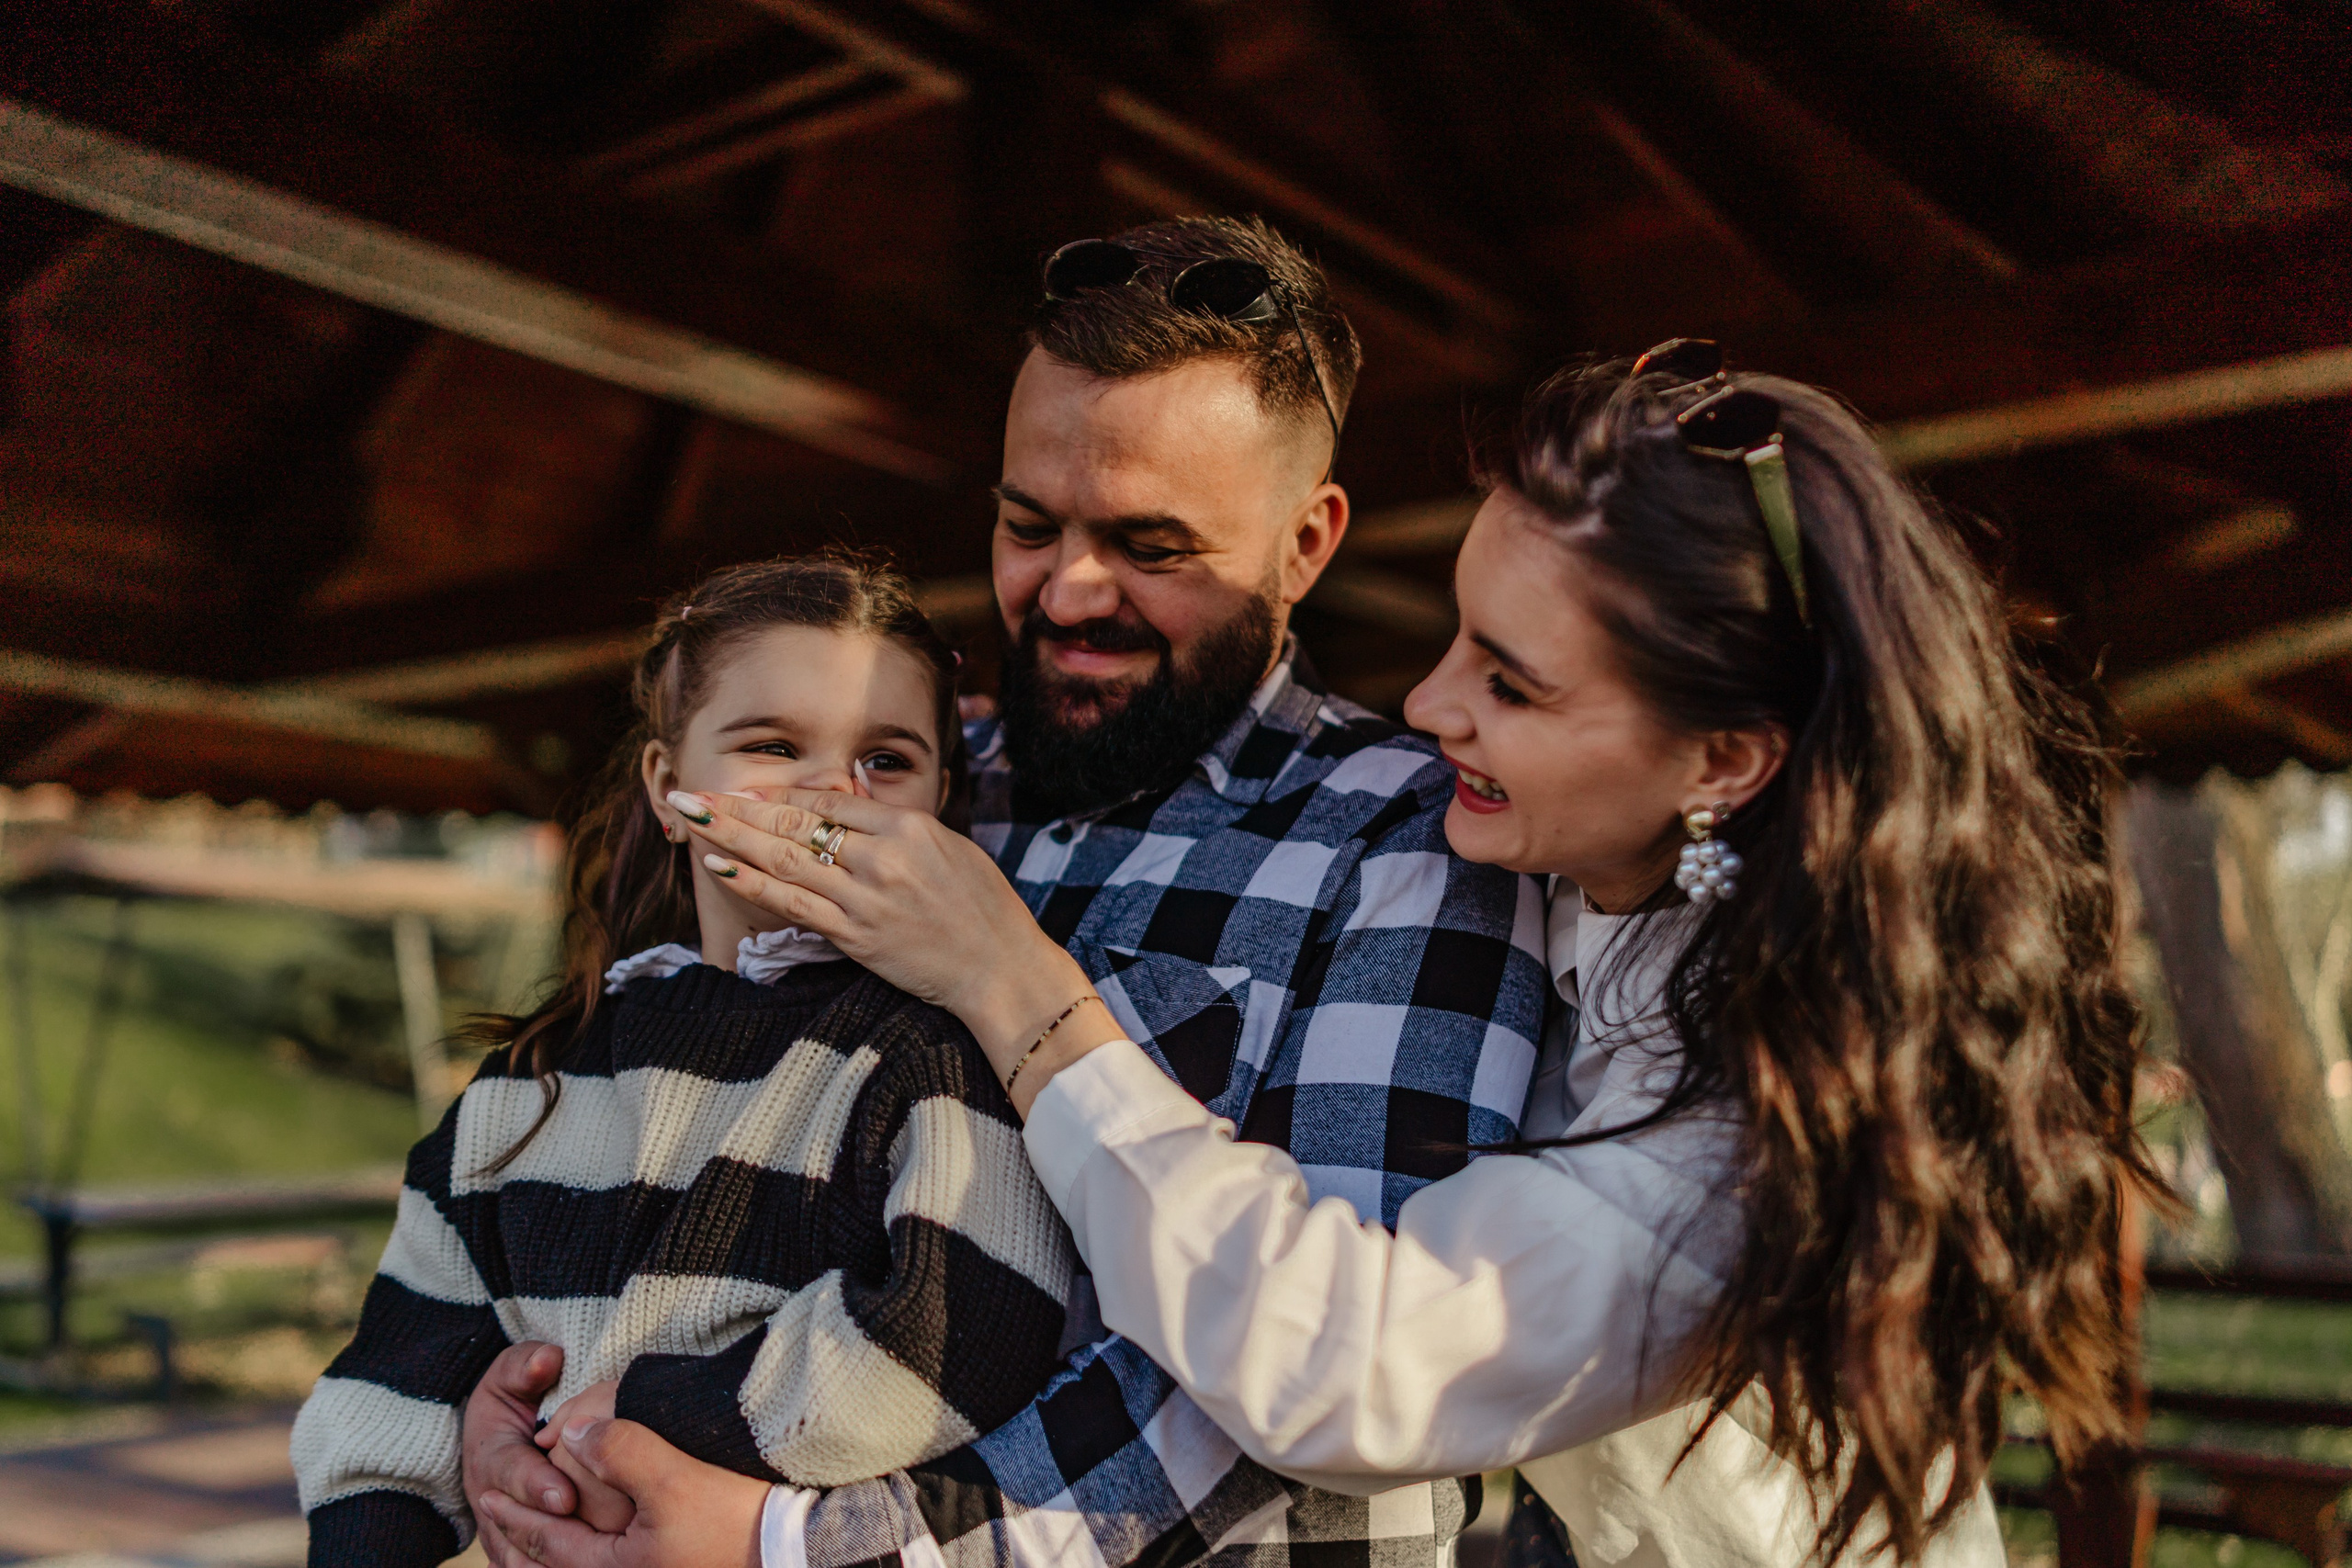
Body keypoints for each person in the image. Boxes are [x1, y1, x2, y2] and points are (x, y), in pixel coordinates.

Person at [476, 345, 2161, 1566]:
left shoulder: (1745, 1130)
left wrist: (1013, 980)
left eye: (1509, 681)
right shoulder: (1572, 867)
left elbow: (1334, 1366)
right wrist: (533, 1393)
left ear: (1725, 759)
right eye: (1457, 640)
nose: (1429, 706)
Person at [461, 217, 1549, 1568]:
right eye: (1030, 525)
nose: (1070, 591)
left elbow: (1328, 1374)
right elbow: (662, 1132)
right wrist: (519, 1410)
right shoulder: (894, 775)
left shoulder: (1409, 838)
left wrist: (803, 1546)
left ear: (1304, 543)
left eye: (1152, 545)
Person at [293, 555, 1083, 1564]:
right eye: (773, 745)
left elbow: (955, 1338)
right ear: (669, 790)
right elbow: (399, 1375)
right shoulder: (536, 1085)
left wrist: (642, 1412)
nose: (832, 790)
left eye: (887, 760)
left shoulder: (936, 1053)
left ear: (941, 800)